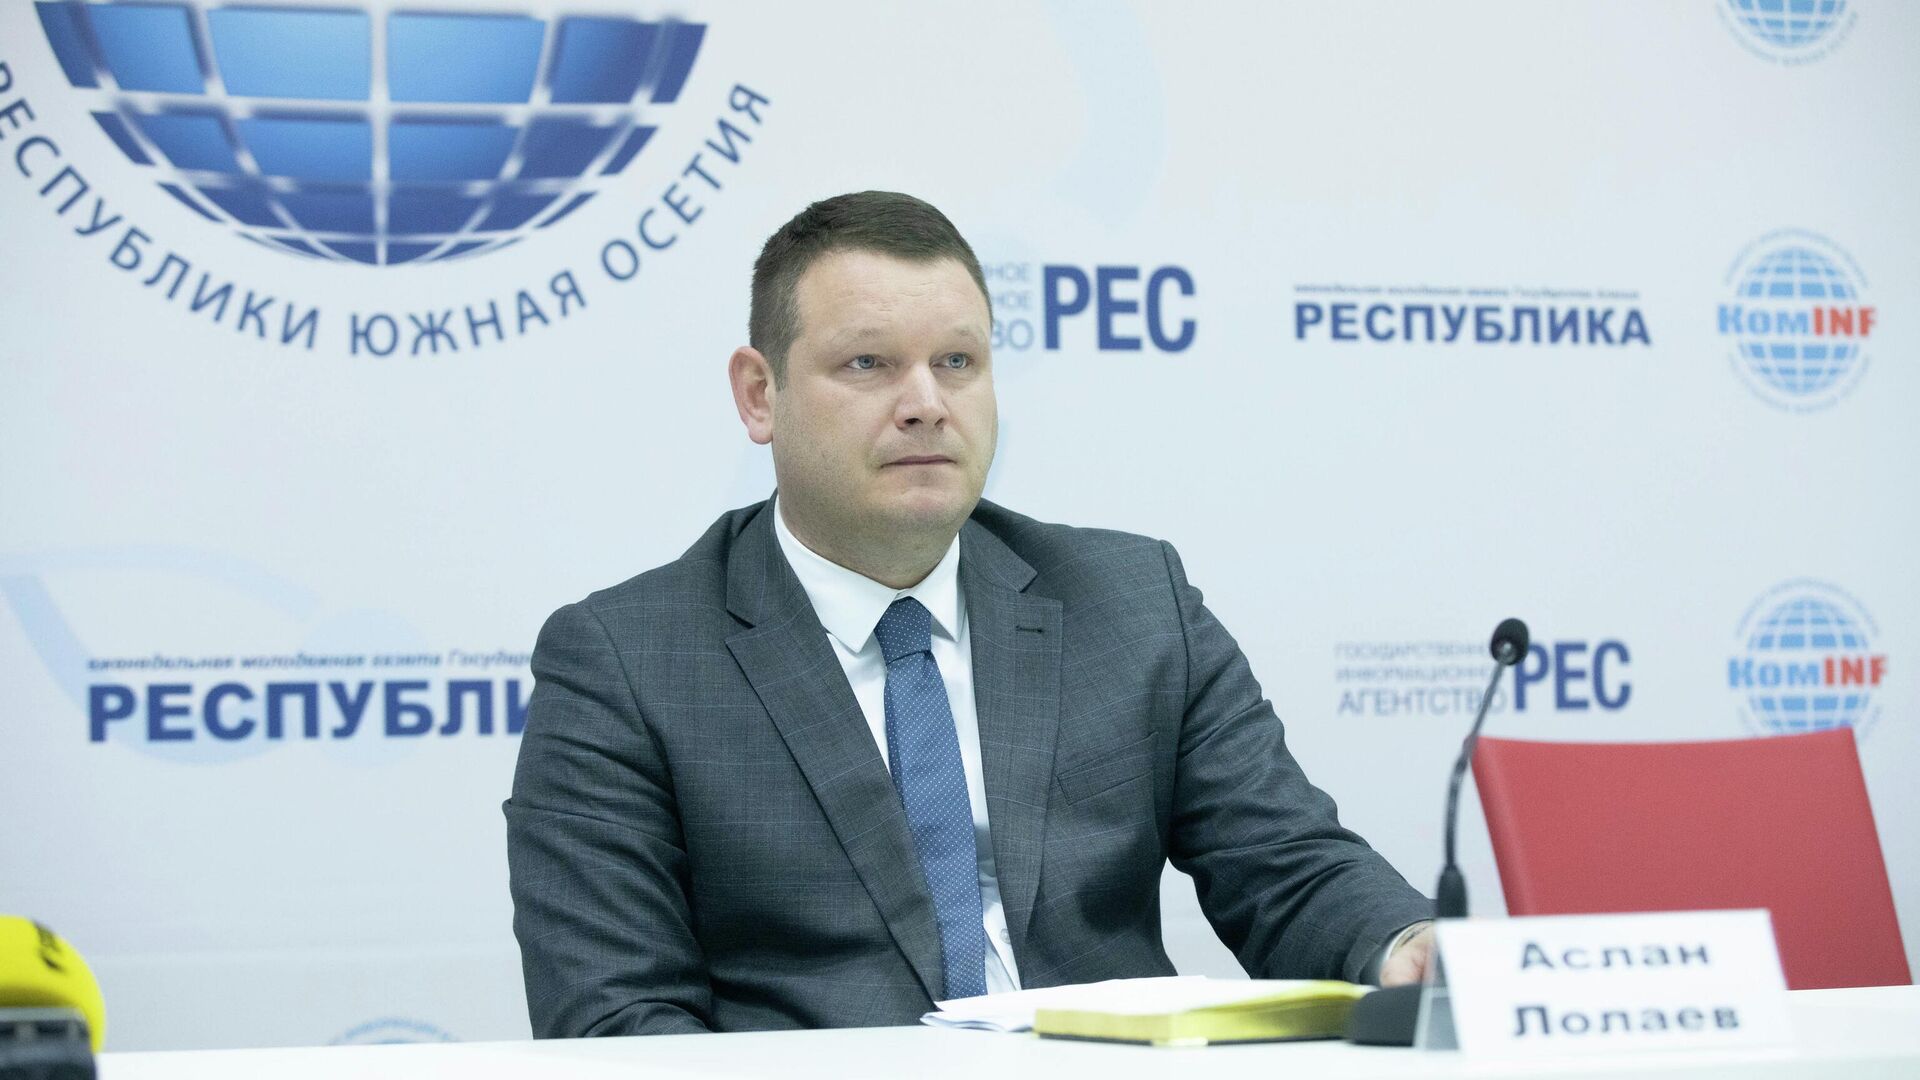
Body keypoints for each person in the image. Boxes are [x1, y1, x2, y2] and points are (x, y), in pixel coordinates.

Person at [504, 191, 1435, 1038]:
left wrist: (1407, 948)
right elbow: (615, 1018)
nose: (926, 405)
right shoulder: (626, 662)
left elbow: (1286, 863)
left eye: (957, 362)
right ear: (760, 394)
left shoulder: (1132, 602)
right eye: (868, 364)